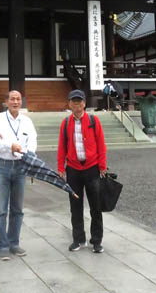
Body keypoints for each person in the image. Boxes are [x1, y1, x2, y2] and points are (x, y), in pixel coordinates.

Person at [0, 90, 37, 260]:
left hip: (20, 166)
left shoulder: (27, 121)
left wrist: (24, 152)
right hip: (3, 165)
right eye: (12, 99)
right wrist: (10, 145)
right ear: (6, 101)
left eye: (18, 99)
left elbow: (33, 141)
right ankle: (2, 245)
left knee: (18, 208)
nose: (16, 102)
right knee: (1, 209)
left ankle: (14, 243)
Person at [57, 89, 107, 253]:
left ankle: (97, 240)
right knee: (75, 206)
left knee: (95, 206)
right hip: (73, 169)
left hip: (92, 168)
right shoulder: (66, 123)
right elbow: (61, 147)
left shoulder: (93, 120)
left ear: (84, 103)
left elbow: (101, 144)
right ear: (69, 104)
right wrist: (60, 168)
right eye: (74, 101)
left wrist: (102, 165)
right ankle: (78, 239)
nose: (77, 104)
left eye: (79, 101)